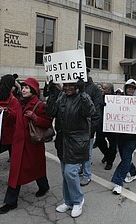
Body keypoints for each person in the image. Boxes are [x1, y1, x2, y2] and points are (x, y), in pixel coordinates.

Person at [0, 78, 52, 214]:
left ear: (33, 90)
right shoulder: (18, 102)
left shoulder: (39, 105)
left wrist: (35, 117)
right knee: (15, 172)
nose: (23, 90)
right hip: (18, 144)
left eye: (27, 88)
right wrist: (6, 113)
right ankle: (11, 202)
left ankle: (43, 186)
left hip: (33, 144)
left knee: (36, 167)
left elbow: (47, 123)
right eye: (22, 87)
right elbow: (14, 120)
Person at [46, 79, 95, 218]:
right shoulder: (61, 96)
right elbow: (51, 112)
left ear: (77, 86)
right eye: (65, 85)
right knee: (64, 173)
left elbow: (90, 111)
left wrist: (84, 93)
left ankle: (78, 200)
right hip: (62, 141)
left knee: (70, 173)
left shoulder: (82, 97)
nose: (67, 88)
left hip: (76, 141)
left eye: (71, 85)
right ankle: (68, 201)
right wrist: (52, 94)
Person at [111, 79, 136, 195]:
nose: (130, 89)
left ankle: (118, 183)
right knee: (125, 158)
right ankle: (133, 172)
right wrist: (106, 106)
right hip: (121, 135)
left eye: (133, 88)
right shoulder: (119, 101)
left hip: (132, 137)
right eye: (128, 87)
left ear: (135, 90)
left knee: (127, 157)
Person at [81, 68, 102, 186]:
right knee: (78, 151)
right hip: (76, 127)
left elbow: (96, 110)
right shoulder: (74, 87)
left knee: (87, 153)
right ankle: (81, 168)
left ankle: (86, 175)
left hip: (88, 127)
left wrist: (92, 128)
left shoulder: (94, 88)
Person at [96, 83, 117, 170]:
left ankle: (109, 162)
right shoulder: (100, 97)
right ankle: (107, 154)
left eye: (104, 88)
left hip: (113, 125)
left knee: (113, 145)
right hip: (101, 124)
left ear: (109, 90)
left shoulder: (117, 99)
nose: (102, 90)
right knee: (99, 141)